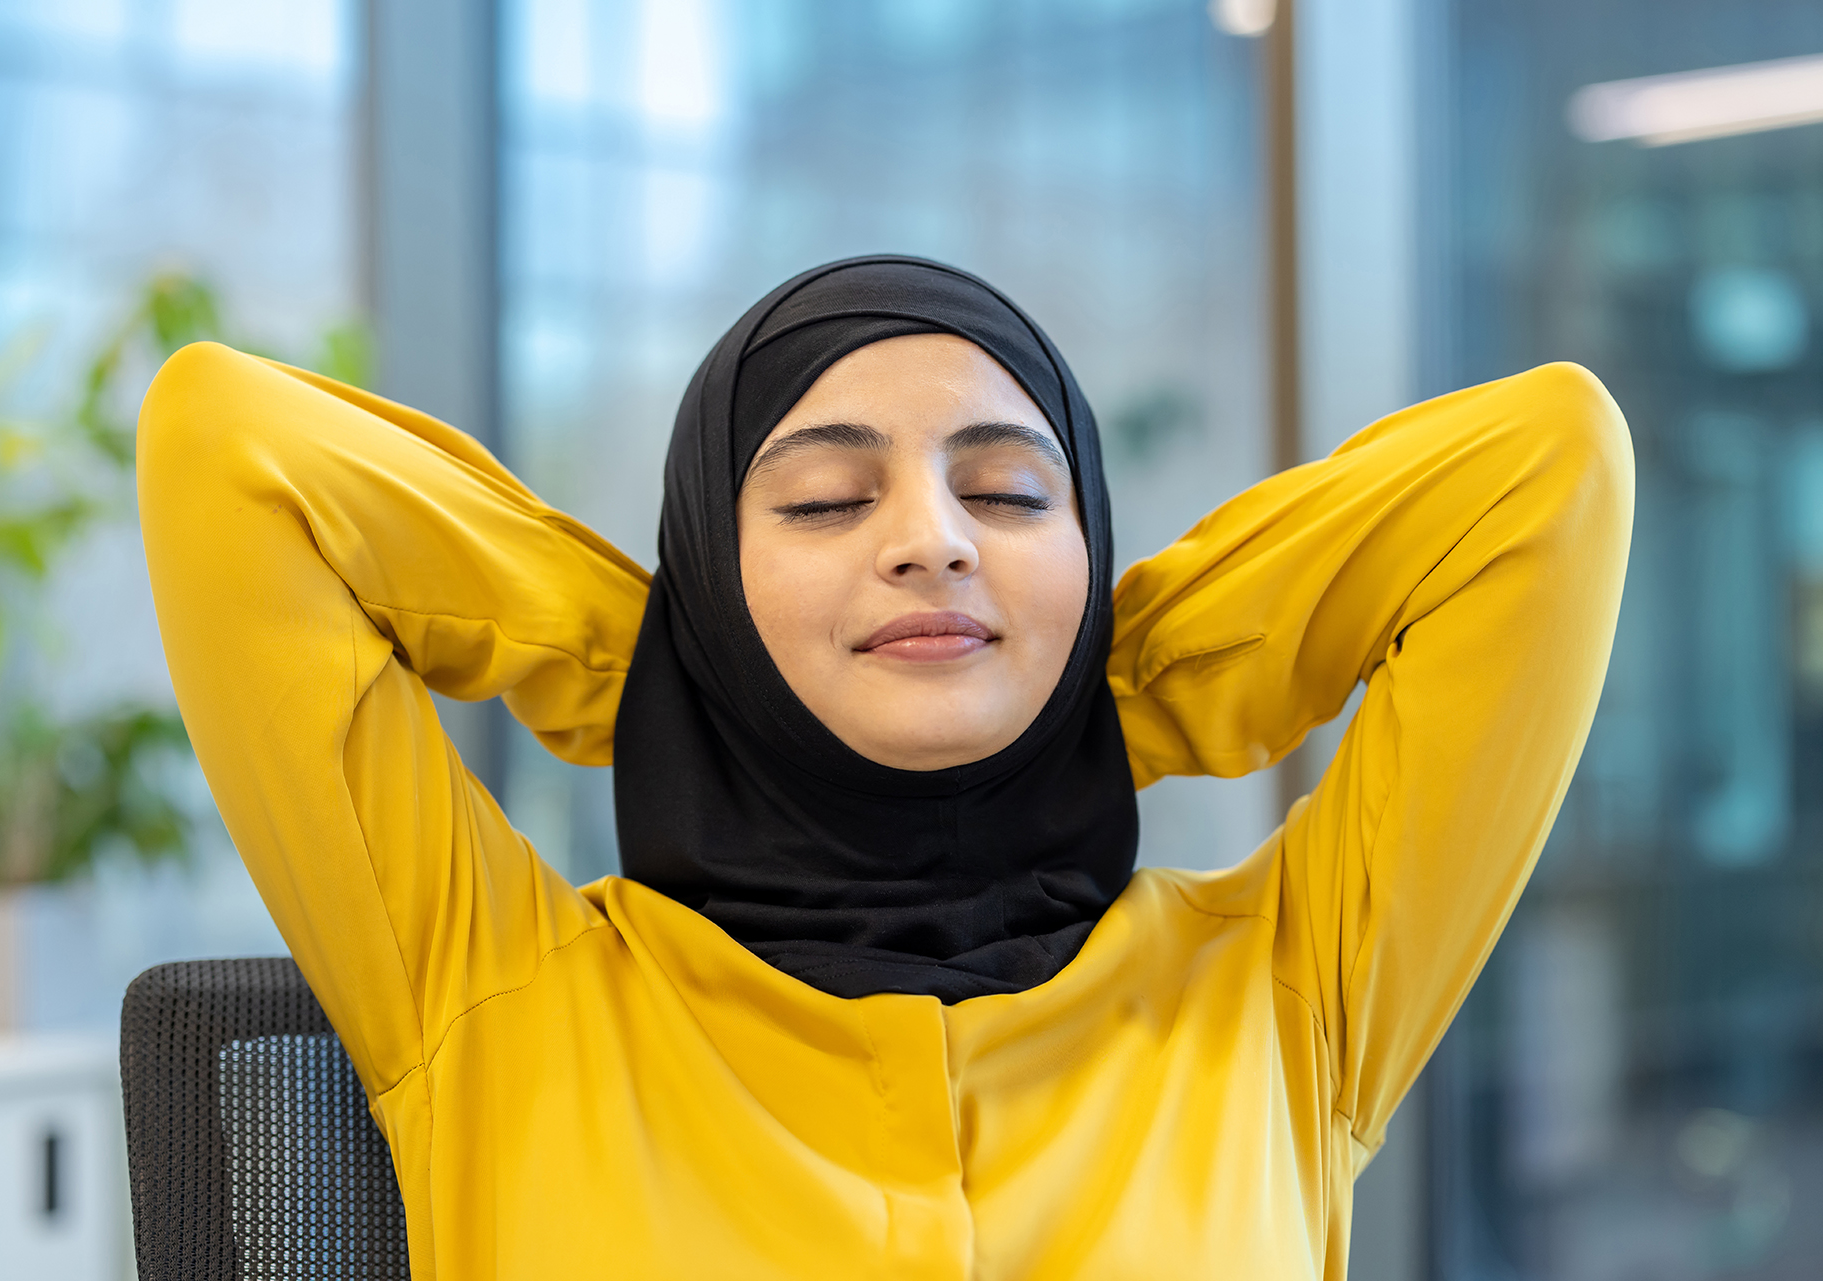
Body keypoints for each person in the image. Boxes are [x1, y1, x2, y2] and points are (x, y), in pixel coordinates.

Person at [138, 256, 1633, 1278]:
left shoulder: (1283, 995)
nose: (934, 536)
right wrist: (673, 677)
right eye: (823, 499)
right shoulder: (492, 989)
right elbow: (228, 446)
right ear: (715, 590)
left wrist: (1102, 688)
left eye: (1009, 488)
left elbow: (1545, 470)